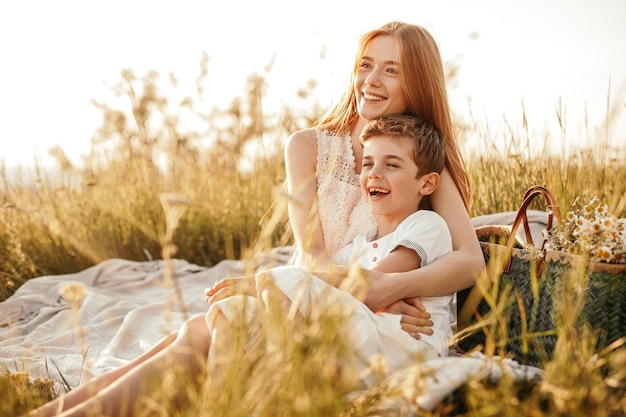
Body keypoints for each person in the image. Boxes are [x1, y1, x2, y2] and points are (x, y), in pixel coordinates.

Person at [29, 113, 453, 417]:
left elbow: (373, 283)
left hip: (397, 350)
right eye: (368, 164)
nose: (373, 175)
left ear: (426, 183)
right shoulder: (358, 245)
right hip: (357, 339)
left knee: (274, 282)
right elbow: (342, 284)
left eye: (391, 165)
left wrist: (267, 282)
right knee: (232, 312)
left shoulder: (426, 224)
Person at [284, 21, 484, 338]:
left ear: (417, 84)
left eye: (391, 71)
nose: (371, 81)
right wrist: (366, 295)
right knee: (197, 333)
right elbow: (312, 255)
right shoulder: (305, 147)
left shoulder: (422, 163)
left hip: (366, 320)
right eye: (366, 65)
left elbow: (471, 261)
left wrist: (390, 288)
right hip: (308, 289)